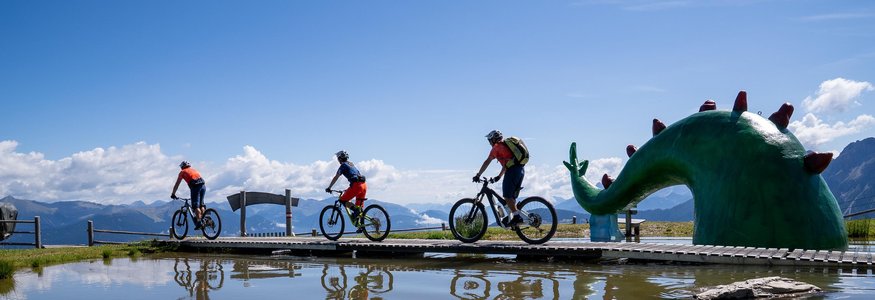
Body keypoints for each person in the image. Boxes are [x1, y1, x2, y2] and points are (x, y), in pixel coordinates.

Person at [473, 130, 524, 227]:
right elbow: (507, 164)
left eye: (490, 140)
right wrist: (499, 176)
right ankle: (514, 219)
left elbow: (487, 162)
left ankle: (517, 217)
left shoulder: (496, 148)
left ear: (494, 139)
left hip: (512, 172)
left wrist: (478, 175)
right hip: (520, 170)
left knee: (507, 196)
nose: (489, 143)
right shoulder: (506, 147)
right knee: (511, 199)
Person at [325, 150, 367, 226]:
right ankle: (360, 225)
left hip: (356, 186)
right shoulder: (351, 164)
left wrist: (329, 187)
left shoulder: (343, 165)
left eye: (338, 158)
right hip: (363, 185)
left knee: (342, 200)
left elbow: (336, 177)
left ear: (340, 158)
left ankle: (355, 211)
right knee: (359, 207)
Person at [171, 160, 207, 229]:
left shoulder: (182, 172)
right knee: (201, 205)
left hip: (196, 187)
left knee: (195, 206)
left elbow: (177, 184)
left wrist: (173, 194)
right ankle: (204, 219)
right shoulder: (193, 170)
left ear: (182, 167)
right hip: (203, 186)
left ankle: (199, 222)